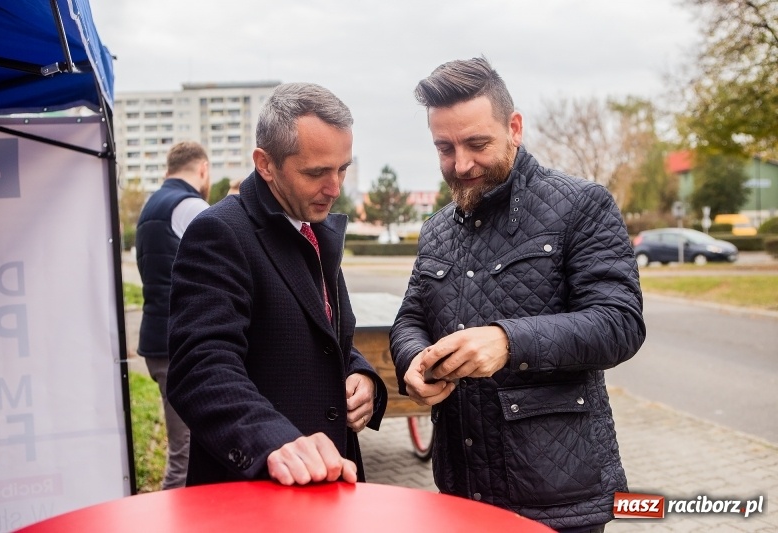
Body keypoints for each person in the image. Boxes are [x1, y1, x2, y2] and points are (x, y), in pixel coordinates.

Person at [389, 57, 646, 533]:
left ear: (514, 128)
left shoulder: (582, 205)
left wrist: (508, 342)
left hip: (558, 498)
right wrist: (412, 363)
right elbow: (410, 319)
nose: (461, 164)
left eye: (477, 144)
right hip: (461, 491)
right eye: (444, 148)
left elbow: (620, 323)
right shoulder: (436, 229)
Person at [167, 83, 387, 487]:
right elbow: (201, 367)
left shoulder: (312, 226)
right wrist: (273, 441)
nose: (335, 188)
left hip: (327, 482)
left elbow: (322, 333)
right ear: (265, 164)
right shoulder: (219, 232)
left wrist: (361, 375)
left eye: (342, 168)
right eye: (316, 172)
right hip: (257, 490)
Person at [135, 141, 211, 489]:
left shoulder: (152, 205)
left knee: (189, 448)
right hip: (180, 345)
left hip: (157, 341)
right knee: (188, 454)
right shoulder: (191, 206)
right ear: (203, 170)